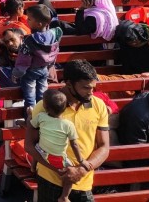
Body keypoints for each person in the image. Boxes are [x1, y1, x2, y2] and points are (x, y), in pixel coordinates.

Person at [25, 60, 110, 202]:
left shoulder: (98, 105)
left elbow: (104, 147)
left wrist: (81, 171)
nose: (91, 93)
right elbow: (30, 146)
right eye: (86, 88)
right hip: (51, 180)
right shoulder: (45, 107)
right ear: (69, 84)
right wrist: (59, 169)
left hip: (84, 181)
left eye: (93, 88)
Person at [28, 89, 86, 202]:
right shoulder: (68, 125)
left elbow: (31, 124)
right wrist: (80, 160)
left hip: (42, 153)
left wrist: (30, 116)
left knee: (37, 146)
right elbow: (74, 144)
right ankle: (64, 196)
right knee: (71, 173)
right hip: (58, 158)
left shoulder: (41, 117)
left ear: (45, 107)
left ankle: (33, 166)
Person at [13, 5, 62, 108]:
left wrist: (17, 73)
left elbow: (24, 59)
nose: (27, 21)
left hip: (31, 71)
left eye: (29, 19)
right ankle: (41, 117)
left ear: (39, 24)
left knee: (30, 96)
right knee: (42, 95)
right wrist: (50, 65)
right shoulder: (53, 35)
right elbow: (55, 51)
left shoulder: (30, 40)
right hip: (45, 69)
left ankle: (30, 119)